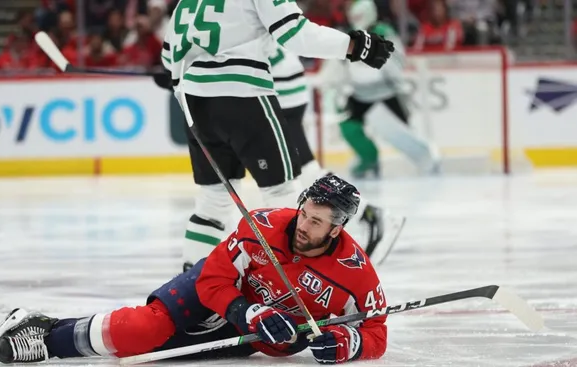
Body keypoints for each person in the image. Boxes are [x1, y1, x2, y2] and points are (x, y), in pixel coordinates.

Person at [0, 175, 388, 364]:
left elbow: (376, 332)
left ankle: (58, 328)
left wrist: (346, 345)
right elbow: (213, 278)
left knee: (273, 346)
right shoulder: (263, 225)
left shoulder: (357, 272)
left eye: (316, 223)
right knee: (145, 331)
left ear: (339, 227)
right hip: (220, 293)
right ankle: (50, 336)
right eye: (303, 214)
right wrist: (247, 310)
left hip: (260, 331)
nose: (302, 225)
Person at [151, 0, 394, 273]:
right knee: (283, 192)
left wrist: (172, 73)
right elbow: (295, 33)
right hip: (245, 97)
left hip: (196, 105)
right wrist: (355, 46)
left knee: (212, 202)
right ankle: (298, 287)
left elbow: (169, 58)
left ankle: (193, 292)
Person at [266, 40, 406, 265]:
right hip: (275, 82)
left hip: (274, 85)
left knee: (291, 167)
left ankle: (368, 213)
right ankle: (368, 213)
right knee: (297, 165)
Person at [315, 0, 440, 178]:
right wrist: (330, 88)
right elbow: (336, 66)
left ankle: (427, 160)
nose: (354, 18)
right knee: (348, 126)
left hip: (386, 94)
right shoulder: (349, 36)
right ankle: (369, 159)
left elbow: (398, 61)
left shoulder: (384, 32)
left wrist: (382, 63)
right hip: (359, 95)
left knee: (403, 133)